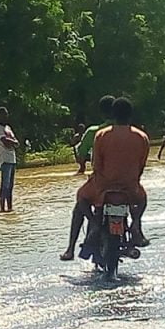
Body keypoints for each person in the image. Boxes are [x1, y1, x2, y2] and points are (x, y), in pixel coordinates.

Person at [60, 97, 149, 260]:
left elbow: (96, 165)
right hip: (130, 188)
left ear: (112, 115)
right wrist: (132, 181)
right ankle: (136, 225)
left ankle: (75, 244)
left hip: (103, 186)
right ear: (130, 115)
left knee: (81, 198)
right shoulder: (142, 137)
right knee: (143, 199)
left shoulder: (100, 135)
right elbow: (141, 165)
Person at [75, 95, 116, 175]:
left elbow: (81, 154)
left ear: (101, 113)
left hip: (101, 178)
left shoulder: (92, 132)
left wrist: (82, 167)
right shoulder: (133, 133)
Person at [0, 107, 19, 212]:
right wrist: (14, 142)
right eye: (3, 115)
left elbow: (14, 140)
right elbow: (5, 140)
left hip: (12, 159)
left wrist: (14, 142)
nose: (5, 117)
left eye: (6, 114)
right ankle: (2, 208)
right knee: (5, 185)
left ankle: (10, 208)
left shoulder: (7, 127)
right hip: (4, 159)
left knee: (10, 186)